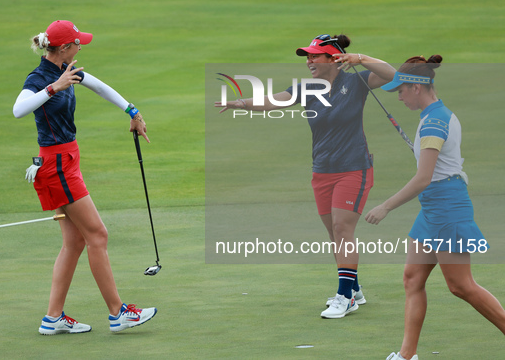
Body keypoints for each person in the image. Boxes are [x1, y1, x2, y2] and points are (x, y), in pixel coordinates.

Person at [215, 34, 396, 318]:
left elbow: (391, 74)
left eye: (315, 56)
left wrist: (359, 58)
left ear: (333, 58)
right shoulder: (307, 88)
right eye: (307, 56)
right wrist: (241, 103)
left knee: (342, 229)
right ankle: (355, 289)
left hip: (354, 168)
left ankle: (345, 296)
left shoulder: (357, 81)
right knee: (333, 233)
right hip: (322, 171)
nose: (309, 61)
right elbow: (275, 101)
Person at [13, 20, 157, 335]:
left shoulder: (69, 69)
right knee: (98, 235)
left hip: (66, 162)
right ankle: (118, 313)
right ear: (64, 47)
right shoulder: (40, 78)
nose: (81, 48)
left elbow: (100, 86)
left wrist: (133, 113)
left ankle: (52, 318)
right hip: (57, 166)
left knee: (75, 240)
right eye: (78, 43)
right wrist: (53, 88)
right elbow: (18, 110)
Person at [364, 55, 505, 360]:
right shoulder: (432, 117)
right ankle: (406, 355)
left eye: (401, 90)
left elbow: (423, 179)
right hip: (433, 209)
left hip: (446, 206)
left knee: (461, 286)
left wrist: (385, 206)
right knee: (412, 278)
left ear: (417, 87)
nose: (399, 96)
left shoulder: (436, 121)